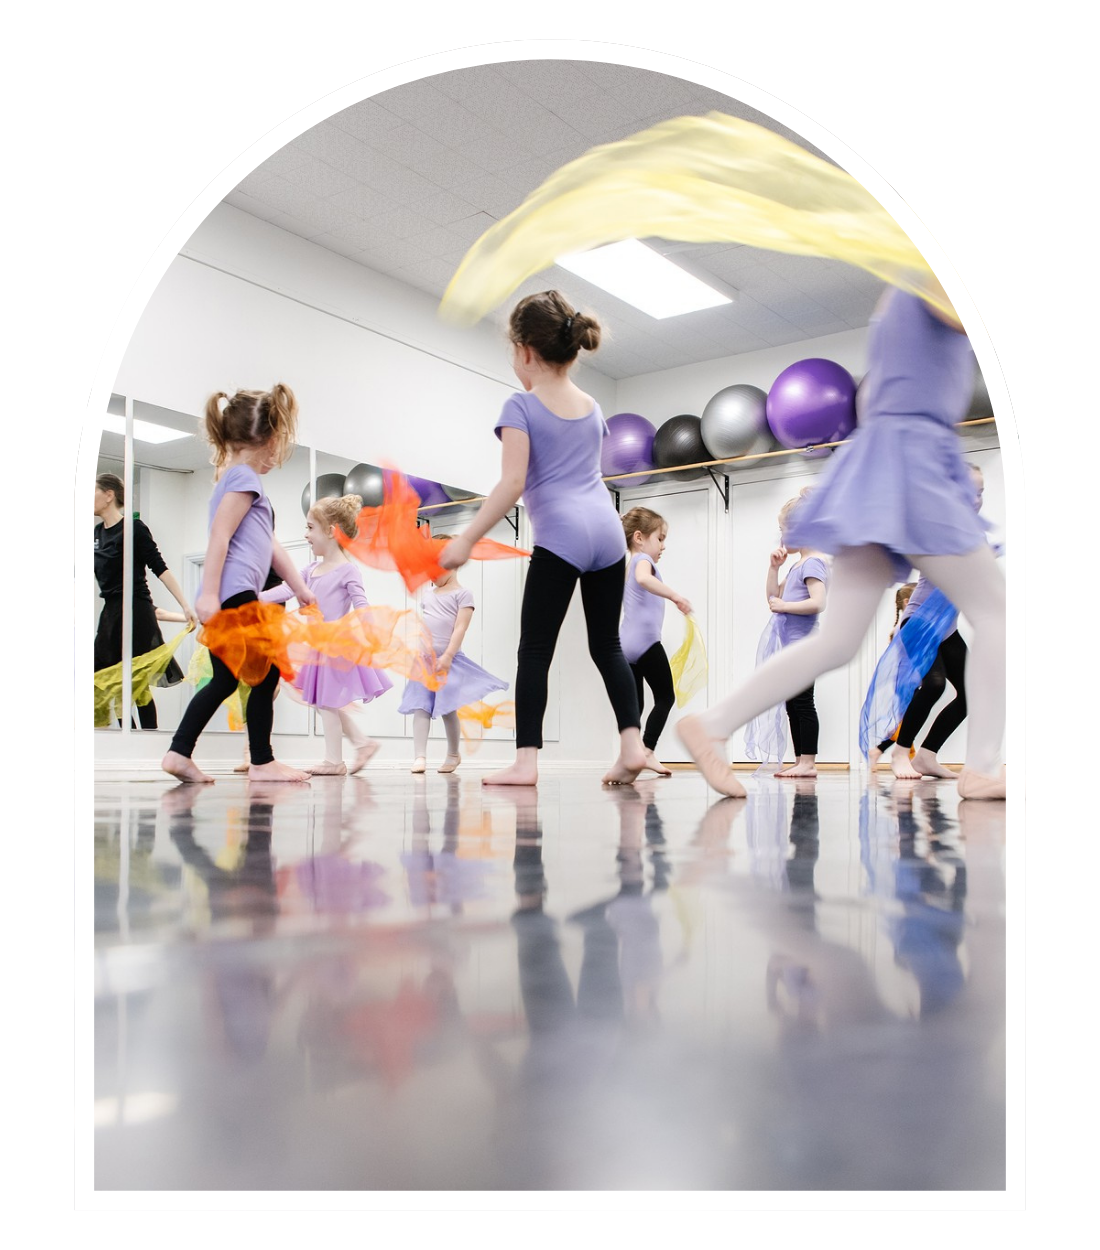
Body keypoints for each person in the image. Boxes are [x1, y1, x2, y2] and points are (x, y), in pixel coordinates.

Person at [677, 283, 1006, 802]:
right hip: (914, 466)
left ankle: (713, 723)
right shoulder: (927, 286)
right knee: (998, 615)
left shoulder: (903, 294)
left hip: (879, 468)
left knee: (838, 641)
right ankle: (982, 768)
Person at [439, 289, 644, 787]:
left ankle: (526, 763)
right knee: (608, 645)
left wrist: (466, 539)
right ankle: (633, 746)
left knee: (535, 650)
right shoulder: (592, 406)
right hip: (607, 532)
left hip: (562, 536)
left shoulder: (521, 406)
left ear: (525, 350)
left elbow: (512, 483)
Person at [161, 383, 316, 784]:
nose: (278, 454)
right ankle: (262, 762)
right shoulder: (244, 478)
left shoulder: (235, 479)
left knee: (227, 678)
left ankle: (179, 752)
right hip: (235, 595)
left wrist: (299, 587)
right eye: (279, 442)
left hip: (233, 594)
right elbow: (220, 536)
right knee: (267, 673)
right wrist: (210, 592)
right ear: (268, 440)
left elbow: (270, 545)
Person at [868, 464, 988, 779]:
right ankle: (899, 753)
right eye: (969, 492)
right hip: (920, 623)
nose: (976, 500)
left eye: (980, 493)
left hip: (947, 629)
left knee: (972, 693)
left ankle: (927, 756)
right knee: (933, 684)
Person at [260, 493, 390, 776]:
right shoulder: (311, 570)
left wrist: (370, 632)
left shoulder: (348, 571)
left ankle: (334, 761)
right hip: (317, 645)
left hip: (335, 644)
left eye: (310, 528)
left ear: (331, 531)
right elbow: (288, 589)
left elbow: (361, 604)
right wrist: (256, 598)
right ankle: (362, 743)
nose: (305, 534)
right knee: (324, 701)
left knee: (326, 702)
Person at [93, 472, 197, 728]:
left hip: (135, 611)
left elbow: (160, 567)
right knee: (106, 677)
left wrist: (185, 606)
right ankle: (129, 734)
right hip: (111, 613)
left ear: (109, 495)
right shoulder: (97, 533)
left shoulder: (134, 528)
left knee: (134, 680)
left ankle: (147, 735)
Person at [397, 555, 507, 775]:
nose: (431, 575)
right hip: (424, 661)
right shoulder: (428, 594)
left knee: (447, 709)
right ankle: (420, 756)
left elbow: (460, 628)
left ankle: (453, 754)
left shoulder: (463, 594)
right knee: (421, 707)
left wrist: (447, 656)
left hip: (448, 661)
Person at [751, 489, 829, 780]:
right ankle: (800, 760)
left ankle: (808, 761)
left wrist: (785, 606)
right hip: (790, 647)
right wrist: (774, 568)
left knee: (803, 702)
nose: (782, 538)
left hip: (805, 646)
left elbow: (818, 603)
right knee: (792, 703)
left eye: (784, 530)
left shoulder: (813, 562)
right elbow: (773, 598)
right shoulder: (797, 565)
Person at [618, 506, 693, 778]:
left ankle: (630, 755)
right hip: (645, 641)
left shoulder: (630, 563)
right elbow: (643, 579)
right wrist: (675, 596)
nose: (663, 546)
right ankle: (647, 751)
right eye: (659, 539)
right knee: (665, 696)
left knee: (635, 706)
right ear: (639, 537)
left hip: (626, 643)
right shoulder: (642, 561)